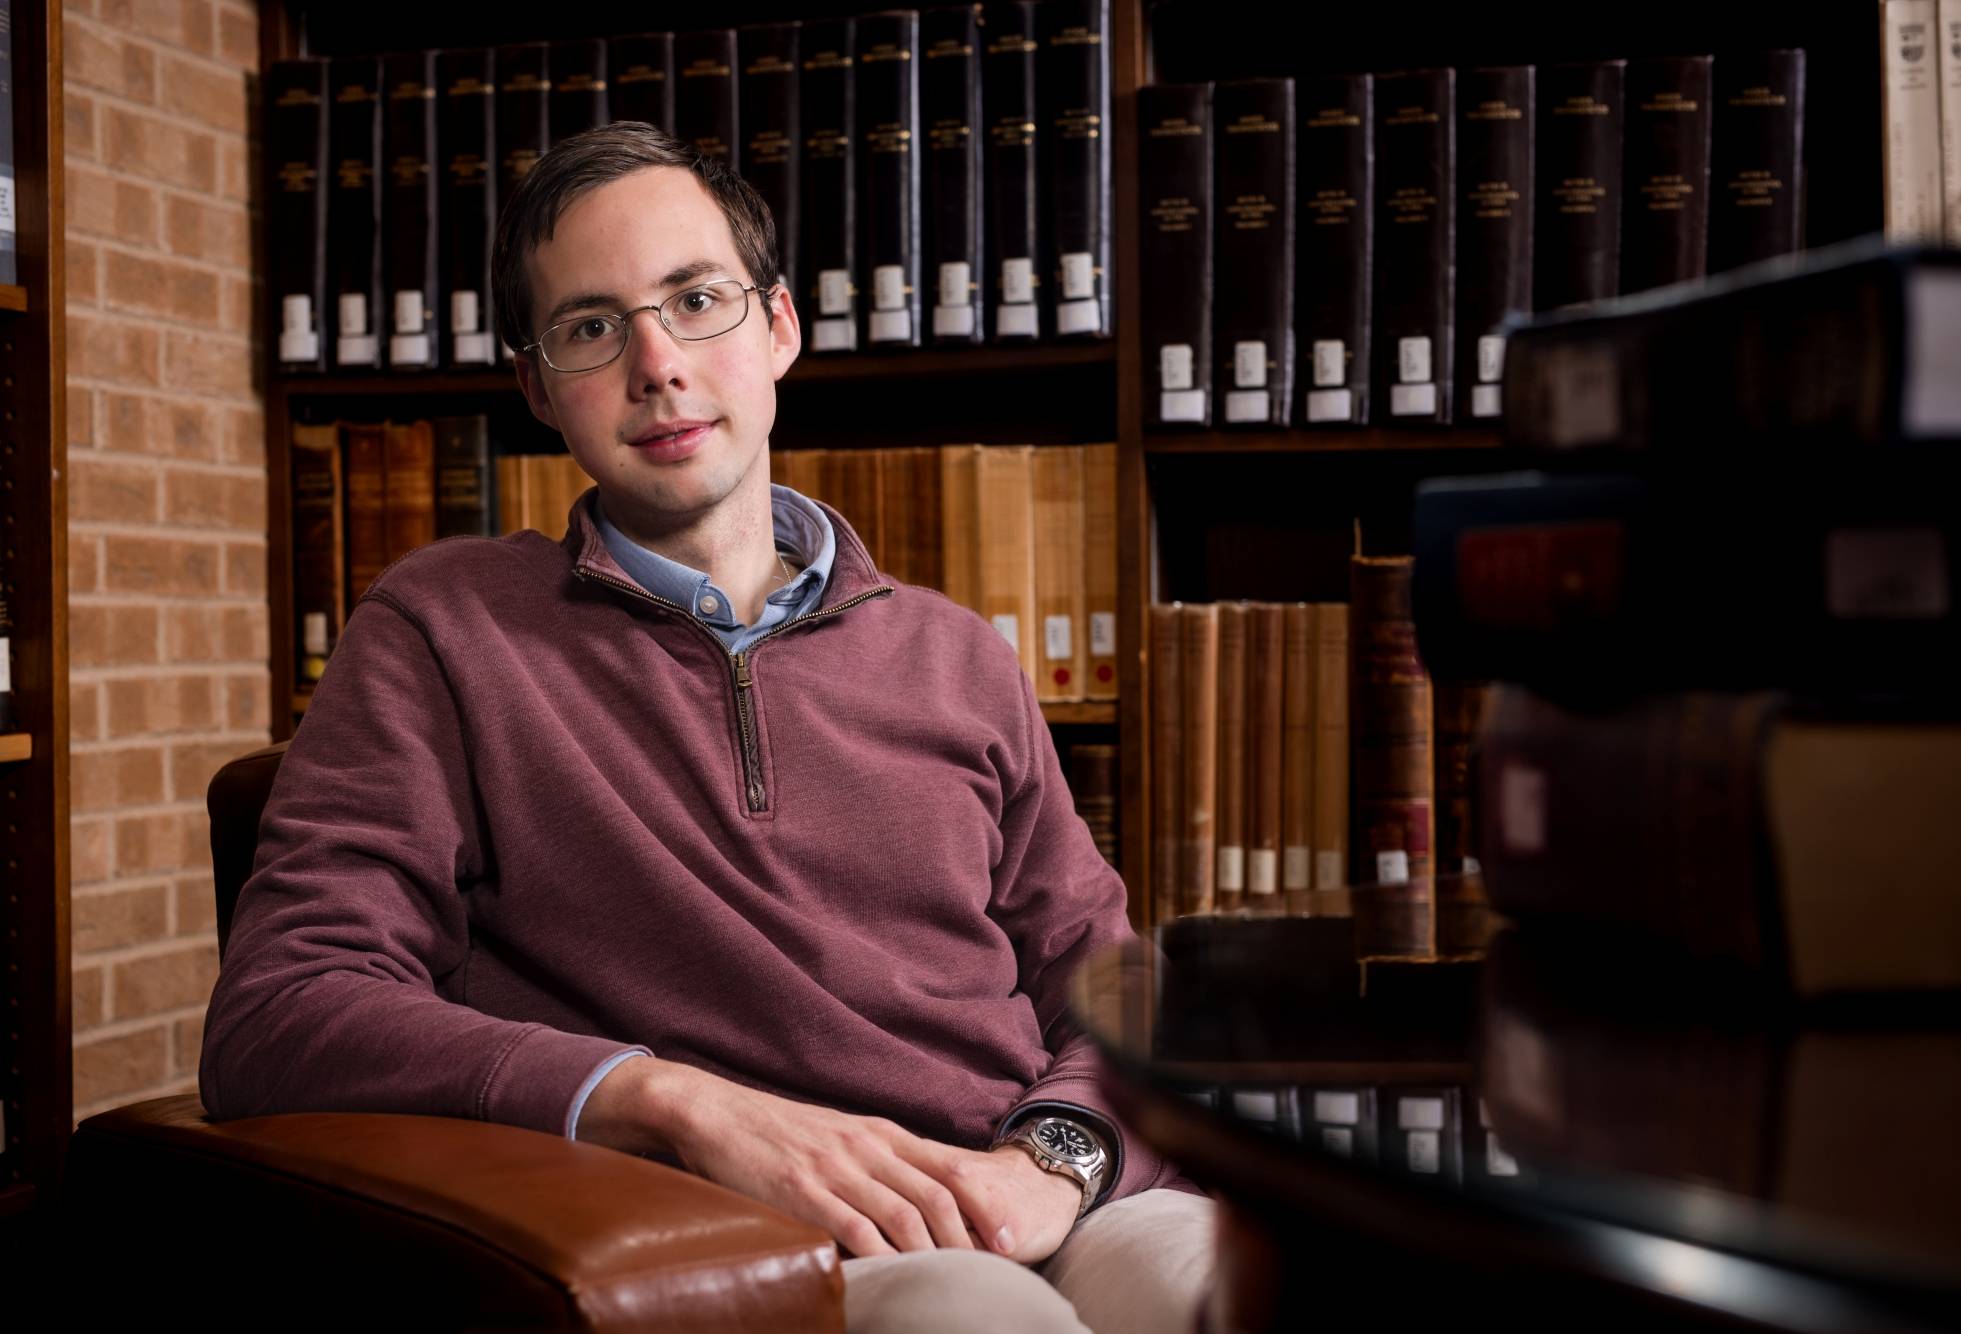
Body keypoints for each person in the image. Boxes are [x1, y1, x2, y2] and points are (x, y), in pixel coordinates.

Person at [200, 123, 1213, 1333]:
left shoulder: (956, 654)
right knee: (976, 1317)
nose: (656, 363)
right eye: (590, 326)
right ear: (535, 387)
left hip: (1026, 1189)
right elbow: (282, 1008)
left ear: (778, 326)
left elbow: (1110, 983)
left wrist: (1053, 1160)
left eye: (696, 300)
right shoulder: (441, 629)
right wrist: (672, 1100)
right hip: (735, 1240)